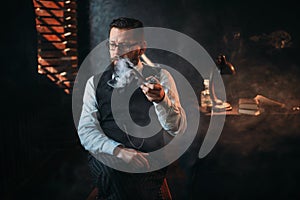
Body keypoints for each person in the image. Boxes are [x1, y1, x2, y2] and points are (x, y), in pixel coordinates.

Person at [78, 17, 187, 200]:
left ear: (141, 48)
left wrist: (161, 100)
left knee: (135, 187)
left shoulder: (161, 77)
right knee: (111, 175)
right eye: (113, 45)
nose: (117, 53)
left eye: (125, 46)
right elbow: (86, 131)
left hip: (149, 157)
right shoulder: (94, 83)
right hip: (108, 155)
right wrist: (119, 151)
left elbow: (177, 127)